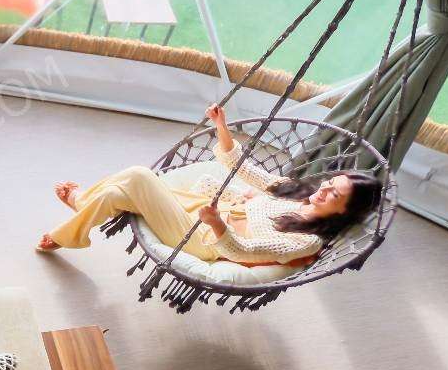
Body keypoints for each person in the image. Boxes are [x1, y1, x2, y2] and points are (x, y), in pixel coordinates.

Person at [37, 105, 382, 265]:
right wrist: (222, 126)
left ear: (345, 211)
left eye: (334, 194)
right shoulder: (297, 193)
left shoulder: (307, 240)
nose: (323, 190)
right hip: (201, 214)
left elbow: (243, 252)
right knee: (116, 193)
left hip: (205, 241)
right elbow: (245, 169)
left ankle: (80, 208)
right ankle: (80, 216)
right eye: (329, 183)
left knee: (140, 175)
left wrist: (218, 225)